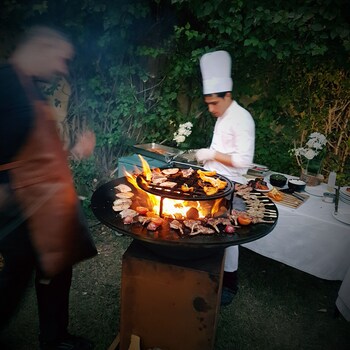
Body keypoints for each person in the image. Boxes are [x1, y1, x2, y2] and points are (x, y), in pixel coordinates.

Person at [0, 26, 97, 349]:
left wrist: (73, 152)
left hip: (44, 212)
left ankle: (54, 338)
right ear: (41, 47)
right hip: (20, 216)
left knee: (55, 271)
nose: (62, 69)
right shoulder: (6, 86)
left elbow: (35, 154)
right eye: (61, 58)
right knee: (12, 283)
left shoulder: (29, 89)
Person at [195, 50, 255, 306]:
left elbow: (242, 161)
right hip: (213, 183)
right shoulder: (224, 114)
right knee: (205, 228)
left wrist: (212, 154)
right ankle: (205, 274)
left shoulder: (241, 118)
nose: (210, 108)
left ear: (227, 95)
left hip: (230, 187)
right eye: (207, 103)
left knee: (228, 236)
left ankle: (230, 284)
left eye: (214, 103)